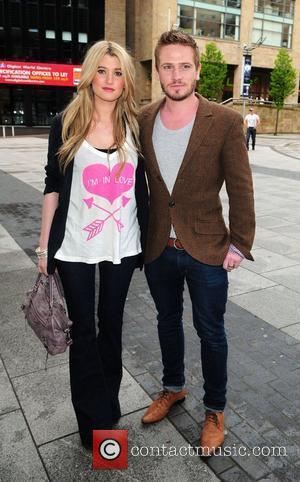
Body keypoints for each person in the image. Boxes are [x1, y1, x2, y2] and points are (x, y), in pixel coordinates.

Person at [138, 30, 255, 456]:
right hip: (157, 249)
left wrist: (239, 244)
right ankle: (173, 388)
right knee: (166, 322)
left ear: (198, 70)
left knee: (211, 332)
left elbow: (241, 189)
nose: (175, 74)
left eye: (184, 65)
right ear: (159, 71)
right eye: (167, 65)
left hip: (207, 250)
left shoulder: (223, 121)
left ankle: (215, 410)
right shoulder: (143, 118)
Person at [37, 40, 148, 449]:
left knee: (112, 328)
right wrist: (43, 247)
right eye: (102, 70)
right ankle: (93, 423)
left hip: (124, 243)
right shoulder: (66, 122)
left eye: (118, 72)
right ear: (89, 74)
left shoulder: (136, 124)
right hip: (75, 247)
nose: (109, 80)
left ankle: (108, 405)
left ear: (127, 80)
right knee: (85, 331)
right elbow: (52, 185)